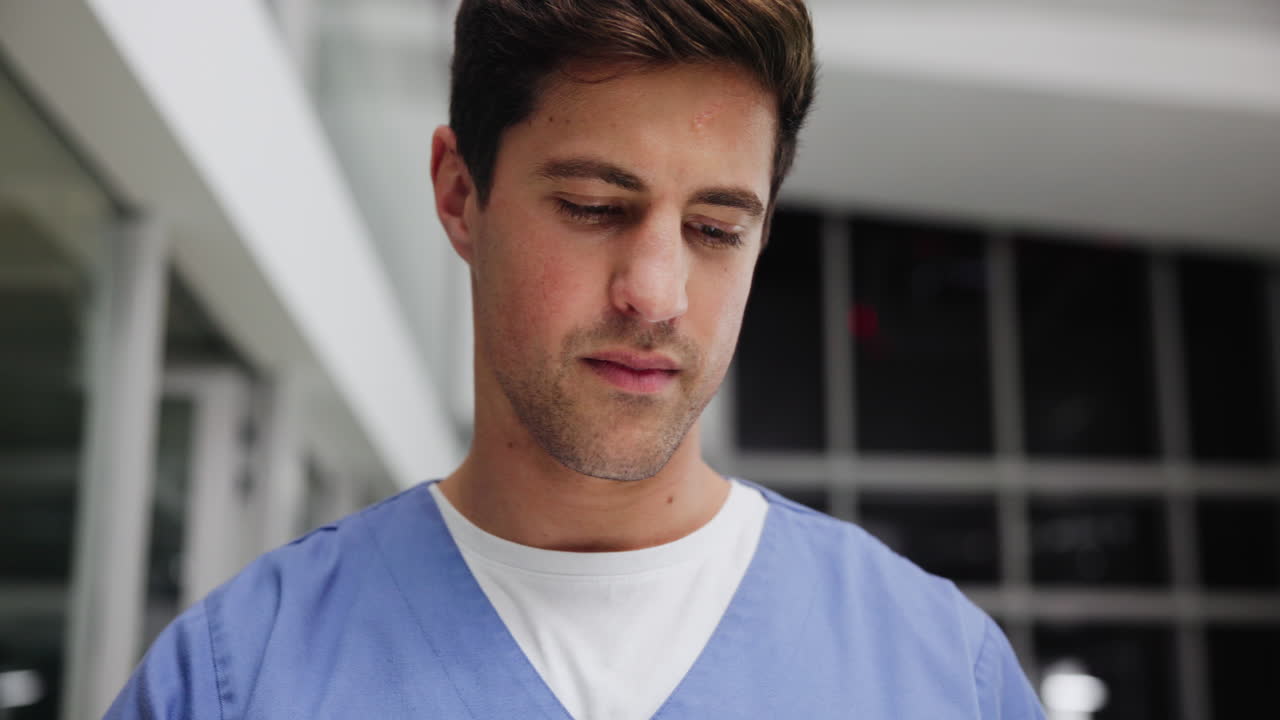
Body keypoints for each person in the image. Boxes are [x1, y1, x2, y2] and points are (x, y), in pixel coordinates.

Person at [107, 0, 1046, 717]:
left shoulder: (937, 674)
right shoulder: (239, 681)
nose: (657, 291)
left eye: (716, 228)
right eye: (595, 208)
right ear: (459, 194)